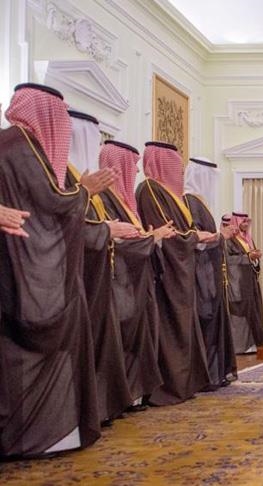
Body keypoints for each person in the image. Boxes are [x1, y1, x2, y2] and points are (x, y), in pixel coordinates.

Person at [0, 83, 112, 457]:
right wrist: (84, 190)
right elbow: (51, 204)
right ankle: (38, 434)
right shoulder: (21, 146)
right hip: (29, 273)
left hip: (23, 266)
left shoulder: (13, 144)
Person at [68, 110, 135, 426]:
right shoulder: (69, 182)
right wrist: (108, 230)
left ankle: (103, 406)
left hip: (103, 276)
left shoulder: (92, 190)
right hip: (81, 276)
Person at [136, 141, 213, 406]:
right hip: (167, 272)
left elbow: (178, 231)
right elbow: (166, 232)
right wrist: (195, 237)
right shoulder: (150, 189)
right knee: (171, 326)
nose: (178, 172)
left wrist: (193, 238)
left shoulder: (170, 195)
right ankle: (169, 387)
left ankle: (185, 383)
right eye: (174, 165)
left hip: (181, 269)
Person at [97, 140, 169, 411]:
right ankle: (119, 398)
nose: (137, 171)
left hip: (135, 282)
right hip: (117, 284)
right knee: (119, 340)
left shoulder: (124, 201)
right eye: (133, 165)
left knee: (134, 339)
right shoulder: (102, 199)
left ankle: (133, 395)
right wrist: (153, 238)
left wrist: (149, 238)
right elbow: (116, 241)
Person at [184, 158, 237, 386]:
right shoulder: (190, 202)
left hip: (209, 276)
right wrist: (220, 237)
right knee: (206, 324)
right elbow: (198, 242)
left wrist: (219, 237)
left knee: (213, 325)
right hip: (201, 278)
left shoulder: (200, 202)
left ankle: (213, 375)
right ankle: (205, 377)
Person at [225, 211, 263, 353]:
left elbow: (250, 258)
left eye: (248, 222)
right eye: (243, 222)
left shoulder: (247, 239)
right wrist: (248, 257)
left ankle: (253, 342)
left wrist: (254, 257)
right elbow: (228, 260)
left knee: (253, 309)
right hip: (237, 283)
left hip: (250, 281)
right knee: (240, 312)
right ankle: (240, 346)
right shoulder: (229, 240)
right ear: (236, 222)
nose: (246, 224)